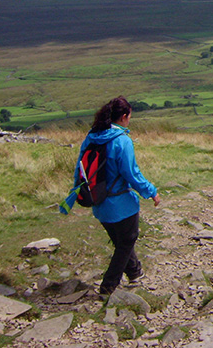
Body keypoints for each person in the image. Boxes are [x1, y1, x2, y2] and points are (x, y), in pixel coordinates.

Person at [76, 96, 160, 296]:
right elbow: (132, 174)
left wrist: (80, 193)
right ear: (123, 117)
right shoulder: (122, 141)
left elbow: (80, 169)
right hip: (121, 203)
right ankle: (108, 286)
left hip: (99, 201)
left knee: (122, 240)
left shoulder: (91, 136)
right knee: (126, 241)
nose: (129, 120)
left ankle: (134, 272)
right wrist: (151, 192)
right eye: (129, 116)